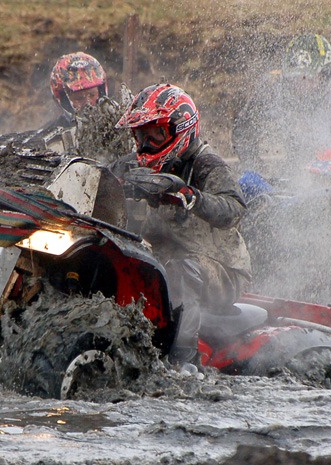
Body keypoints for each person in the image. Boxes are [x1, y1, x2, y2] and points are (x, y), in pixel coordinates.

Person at [114, 83, 252, 371]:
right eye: (140, 135)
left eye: (155, 134)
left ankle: (183, 363)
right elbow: (100, 175)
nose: (146, 145)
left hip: (222, 269)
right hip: (163, 256)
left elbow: (234, 208)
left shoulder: (206, 164)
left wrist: (190, 196)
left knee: (181, 270)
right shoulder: (135, 163)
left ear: (180, 129)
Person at [234, 33, 331, 194]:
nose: (301, 86)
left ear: (325, 75)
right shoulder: (272, 86)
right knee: (249, 182)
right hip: (293, 164)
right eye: (295, 77)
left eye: (308, 78)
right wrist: (255, 166)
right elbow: (243, 131)